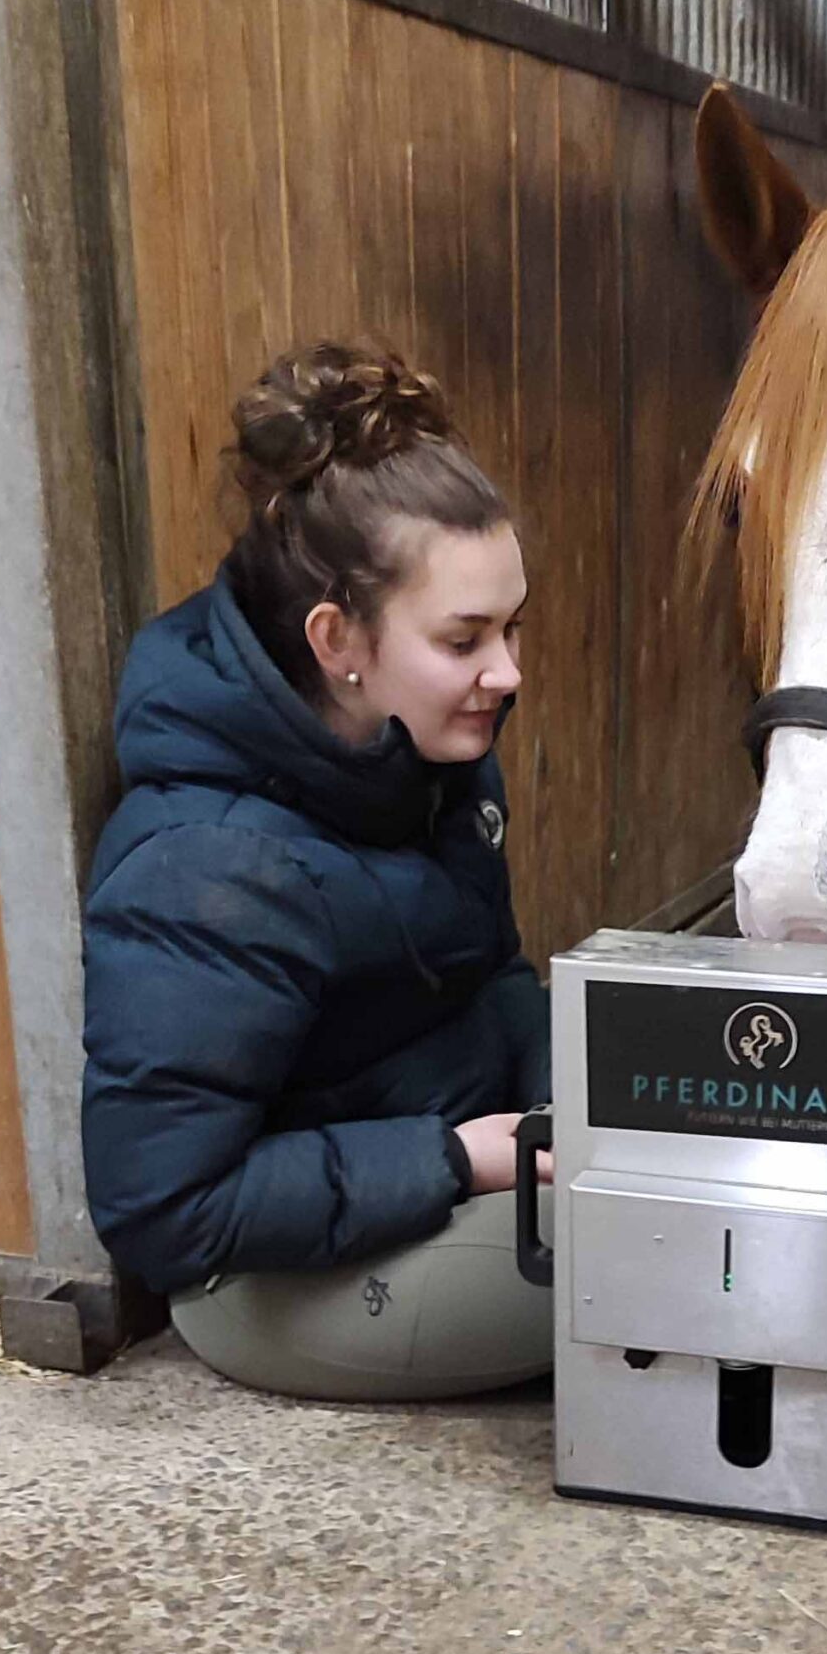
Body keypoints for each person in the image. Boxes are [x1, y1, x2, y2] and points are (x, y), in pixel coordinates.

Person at [80, 342, 552, 1399]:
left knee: (684, 1164)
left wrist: (572, 1095)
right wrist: (457, 1158)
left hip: (435, 1174)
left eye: (512, 627)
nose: (507, 671)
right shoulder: (206, 869)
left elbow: (492, 979)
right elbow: (164, 1208)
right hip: (272, 1282)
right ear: (338, 637)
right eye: (466, 636)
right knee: (668, 1265)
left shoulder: (428, 755)